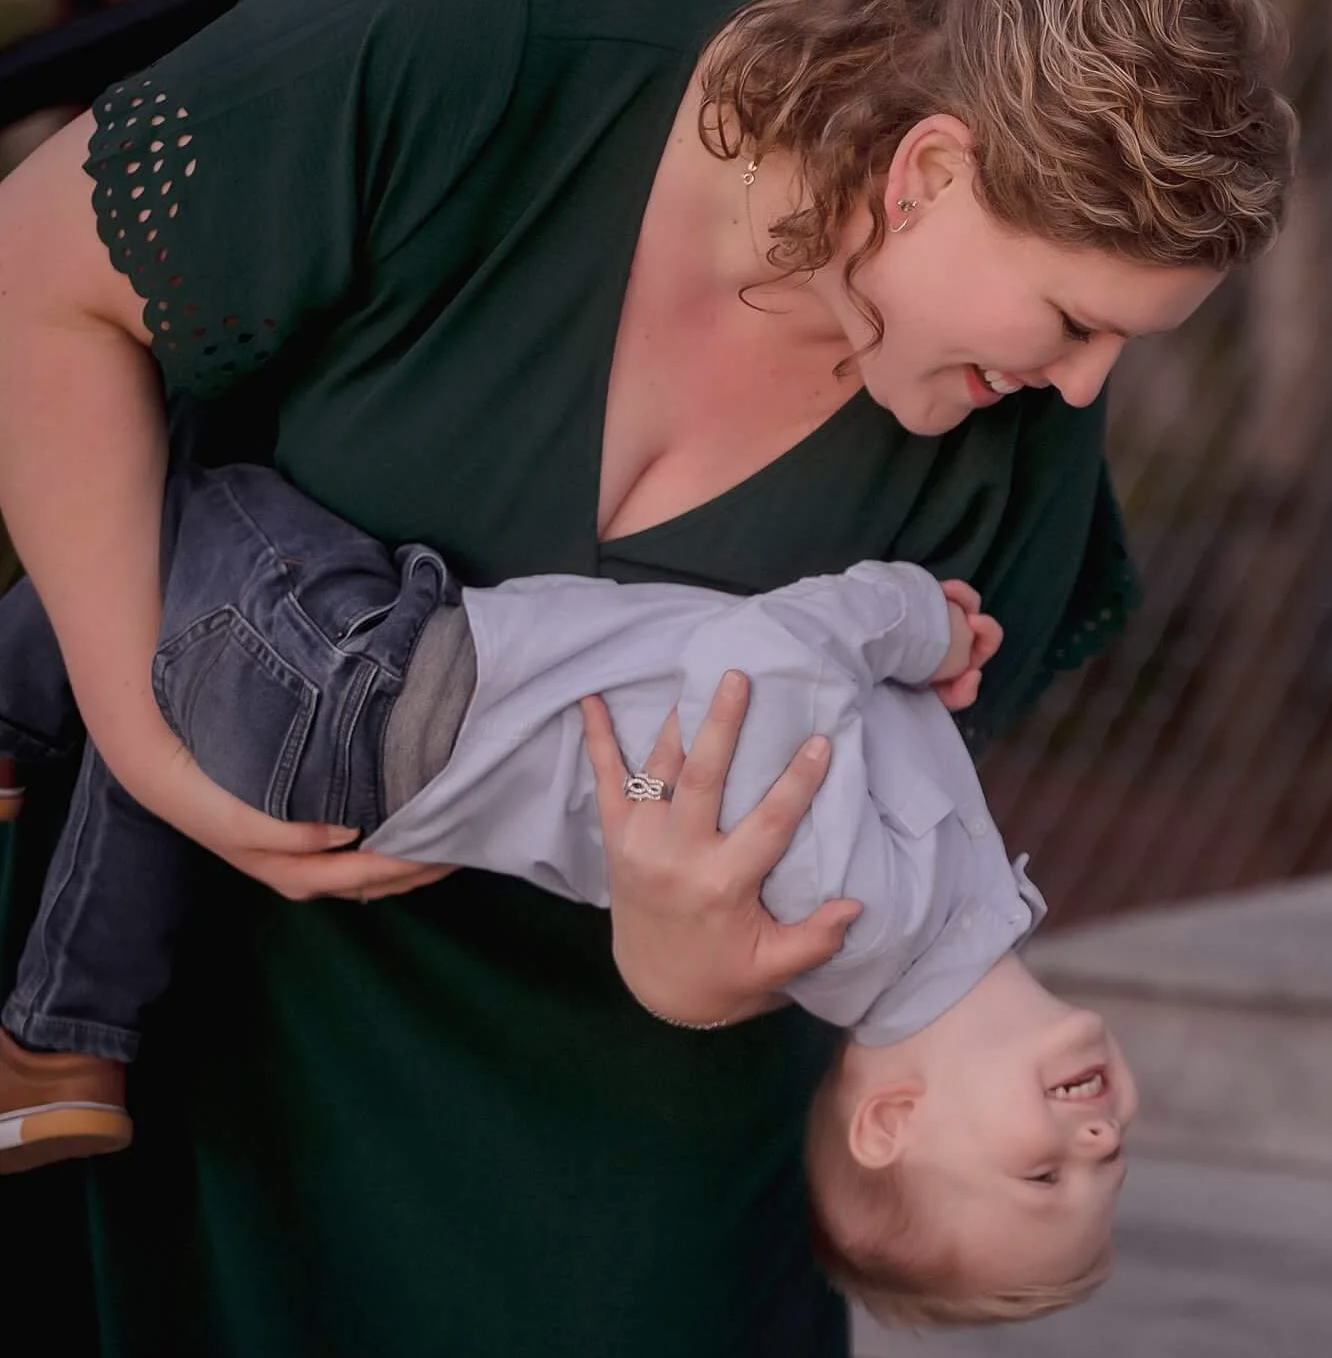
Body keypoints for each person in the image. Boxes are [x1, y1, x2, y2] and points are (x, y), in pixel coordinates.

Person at [0, 0, 1291, 1354]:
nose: (1083, 394)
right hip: (217, 1071)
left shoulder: (1003, 452)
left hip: (629, 1219)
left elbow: (869, 886)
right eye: (1076, 318)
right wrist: (146, 738)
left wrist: (700, 974)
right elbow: (39, 285)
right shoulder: (490, 29)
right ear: (932, 167)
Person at [0, 458, 1139, 1329]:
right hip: (367, 718)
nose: (1095, 1132)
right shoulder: (942, 907)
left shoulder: (852, 909)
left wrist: (917, 618)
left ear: (891, 1122)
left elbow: (767, 655)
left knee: (163, 486)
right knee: (154, 617)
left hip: (370, 693)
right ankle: (58, 1021)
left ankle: (32, 839)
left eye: (1044, 1170)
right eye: (1106, 1162)